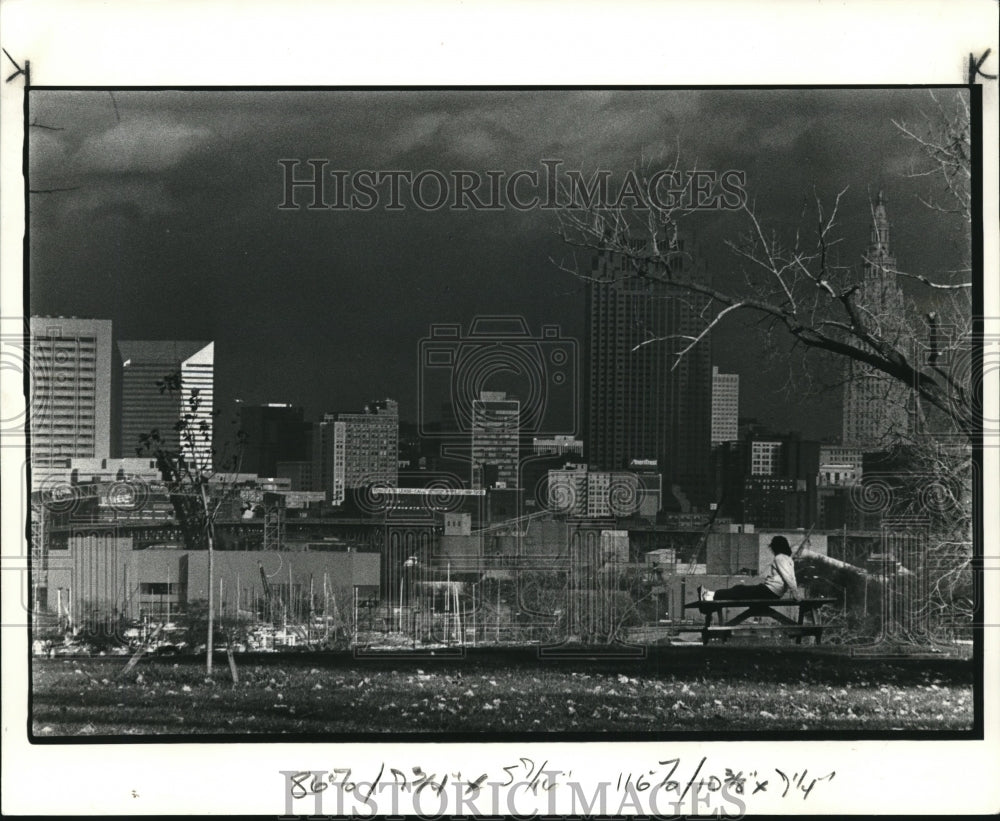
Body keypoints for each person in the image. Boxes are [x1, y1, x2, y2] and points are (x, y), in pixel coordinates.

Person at [698, 535, 801, 601]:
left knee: (739, 589)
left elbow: (787, 576)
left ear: (776, 547)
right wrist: (795, 590)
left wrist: (795, 592)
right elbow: (792, 577)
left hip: (770, 591)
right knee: (740, 590)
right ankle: (710, 595)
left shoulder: (779, 558)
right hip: (774, 592)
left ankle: (709, 595)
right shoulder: (789, 559)